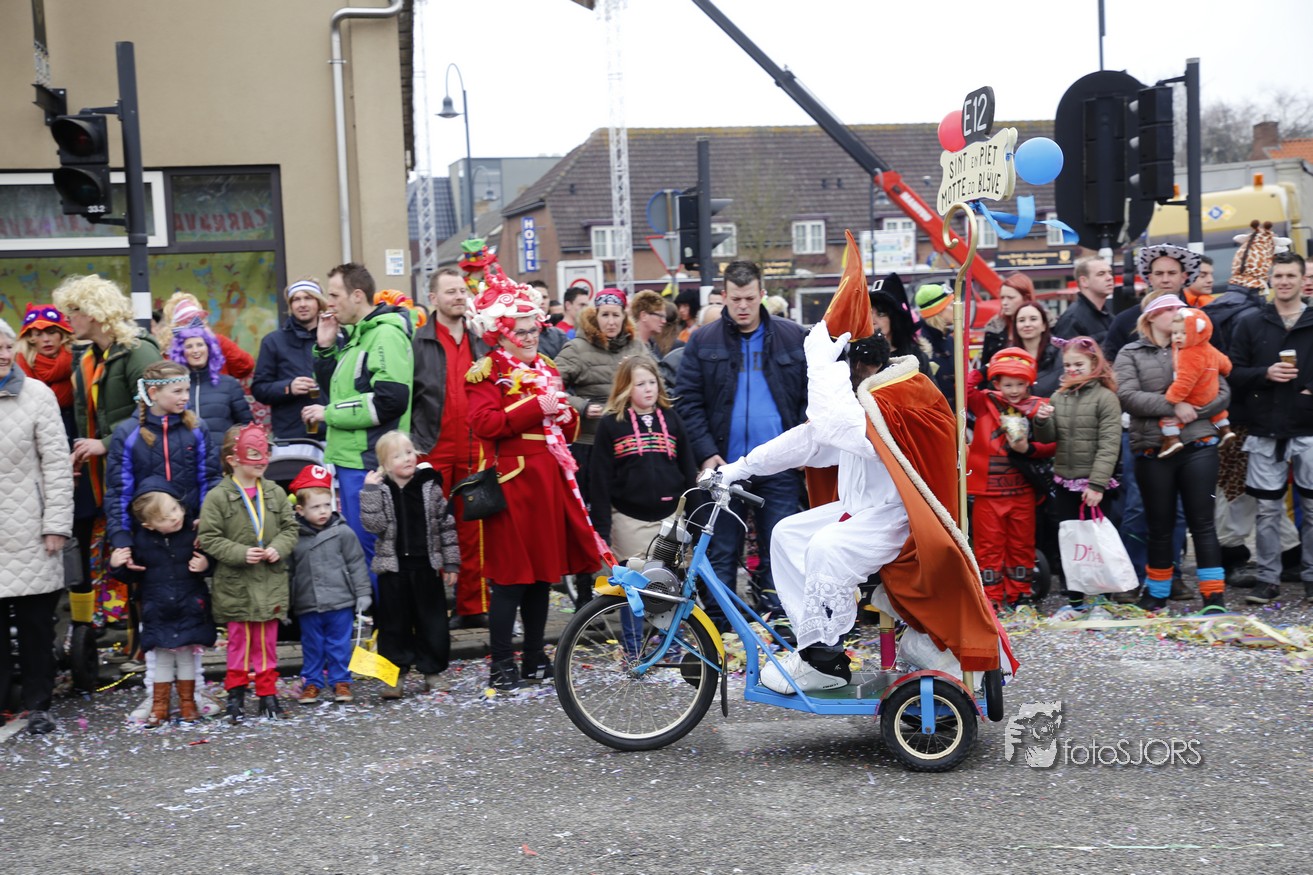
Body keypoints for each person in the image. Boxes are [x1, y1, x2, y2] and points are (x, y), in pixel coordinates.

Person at [718, 318, 1011, 693]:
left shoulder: (902, 395)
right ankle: (816, 646)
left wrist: (822, 368)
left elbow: (844, 429)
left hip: (902, 517)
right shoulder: (863, 397)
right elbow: (811, 439)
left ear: (857, 365)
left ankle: (822, 660)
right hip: (861, 510)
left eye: (843, 367)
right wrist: (740, 469)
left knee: (827, 548)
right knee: (787, 534)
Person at [465, 271, 604, 691]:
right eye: (520, 331)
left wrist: (565, 414)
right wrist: (533, 407)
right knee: (511, 579)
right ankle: (501, 662)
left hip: (548, 482)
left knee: (542, 577)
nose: (529, 338)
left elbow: (564, 426)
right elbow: (484, 423)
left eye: (533, 329)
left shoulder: (546, 366)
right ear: (501, 334)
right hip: (512, 484)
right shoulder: (486, 371)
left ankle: (534, 656)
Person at [675, 260, 807, 627]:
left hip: (779, 462)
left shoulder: (792, 336)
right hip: (725, 465)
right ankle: (720, 628)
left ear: (762, 294)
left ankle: (778, 623)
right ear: (724, 296)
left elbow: (810, 395)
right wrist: (706, 453)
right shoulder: (703, 340)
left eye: (750, 298)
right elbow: (687, 401)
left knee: (779, 547)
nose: (744, 306)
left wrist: (803, 443)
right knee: (720, 549)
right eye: (736, 299)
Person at [54, 274, 162, 629]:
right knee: (109, 553)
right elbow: (88, 418)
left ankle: (148, 641)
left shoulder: (138, 351)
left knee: (143, 555)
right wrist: (81, 453)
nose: (68, 319)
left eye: (73, 311)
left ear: (95, 312)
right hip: (106, 475)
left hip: (141, 473)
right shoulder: (89, 357)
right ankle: (110, 631)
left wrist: (104, 443)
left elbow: (155, 411)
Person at [1114, 294, 1230, 612]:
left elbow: (1223, 392)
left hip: (1199, 443)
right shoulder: (1131, 352)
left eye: (1180, 308)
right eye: (1169, 309)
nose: (1178, 313)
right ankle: (1157, 593)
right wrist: (1173, 405)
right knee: (1159, 525)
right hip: (1154, 448)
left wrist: (1194, 409)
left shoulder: (1200, 346)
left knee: (1203, 523)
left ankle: (1213, 597)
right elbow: (1126, 396)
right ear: (1151, 316)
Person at [305, 262, 415, 574]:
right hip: (352, 459)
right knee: (365, 551)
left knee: (374, 552)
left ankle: (385, 608)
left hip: (368, 461)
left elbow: (390, 400)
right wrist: (325, 348)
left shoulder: (384, 335)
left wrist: (328, 414)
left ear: (357, 295)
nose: (328, 303)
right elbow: (337, 391)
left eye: (334, 295)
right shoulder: (357, 335)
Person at [0, 317, 74, 734]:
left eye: (6, 347)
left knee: (35, 627)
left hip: (30, 528)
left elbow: (57, 467)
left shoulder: (37, 395)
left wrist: (56, 524)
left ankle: (39, 705)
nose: (3, 355)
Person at [198, 423, 299, 723]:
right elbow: (209, 537)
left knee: (266, 642)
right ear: (233, 459)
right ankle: (236, 695)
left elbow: (291, 528)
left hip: (269, 582)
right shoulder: (217, 496)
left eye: (264, 453)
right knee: (239, 642)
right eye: (254, 454)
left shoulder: (275, 492)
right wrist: (239, 553)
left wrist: (278, 547)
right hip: (236, 585)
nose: (262, 460)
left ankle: (268, 694)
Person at [1228, 251, 1313, 605]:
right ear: (1269, 279)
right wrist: (1265, 373)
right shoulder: (1251, 322)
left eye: (1291, 275)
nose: (1284, 282)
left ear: (1302, 279)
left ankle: (1311, 577)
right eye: (1278, 276)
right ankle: (1267, 579)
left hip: (1309, 426)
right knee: (1266, 510)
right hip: (1265, 428)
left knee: (1312, 509)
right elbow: (1232, 371)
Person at [555, 289, 648, 608]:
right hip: (589, 446)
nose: (610, 321)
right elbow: (550, 384)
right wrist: (582, 406)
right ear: (595, 317)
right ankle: (584, 597)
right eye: (604, 315)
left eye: (615, 315)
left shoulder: (636, 347)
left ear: (624, 317)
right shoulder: (577, 347)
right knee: (589, 523)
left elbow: (654, 381)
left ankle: (632, 590)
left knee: (626, 518)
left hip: (627, 444)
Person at [411, 266, 491, 630]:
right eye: (450, 292)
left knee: (472, 529)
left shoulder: (481, 341)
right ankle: (430, 612)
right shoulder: (418, 342)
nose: (459, 297)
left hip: (475, 448)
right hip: (431, 448)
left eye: (462, 291)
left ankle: (472, 607)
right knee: (428, 530)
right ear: (433, 298)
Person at [360, 432, 460, 698]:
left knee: (433, 623)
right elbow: (373, 525)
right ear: (384, 464)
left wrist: (451, 563)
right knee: (393, 625)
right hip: (393, 570)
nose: (406, 458)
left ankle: (432, 671)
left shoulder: (429, 486)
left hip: (426, 567)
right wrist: (370, 493)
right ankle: (394, 676)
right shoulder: (380, 489)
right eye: (397, 456)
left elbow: (446, 525)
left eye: (409, 452)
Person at [108, 480, 216, 728]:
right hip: (158, 609)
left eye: (176, 509)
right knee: (162, 662)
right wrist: (116, 566)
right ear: (148, 524)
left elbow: (212, 561)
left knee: (187, 658)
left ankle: (188, 703)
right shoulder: (141, 542)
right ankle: (160, 705)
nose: (175, 517)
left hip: (189, 605)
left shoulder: (193, 534)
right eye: (165, 518)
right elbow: (133, 574)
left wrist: (206, 565)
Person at [1032, 337, 1124, 607]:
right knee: (1071, 542)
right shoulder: (1059, 396)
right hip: (1065, 481)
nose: (1072, 370)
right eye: (1068, 365)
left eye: (1078, 365)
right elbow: (1049, 438)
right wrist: (1041, 421)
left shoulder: (1106, 398)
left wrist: (1097, 485)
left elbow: (1109, 445)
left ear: (1094, 364)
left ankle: (1102, 600)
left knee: (1098, 543)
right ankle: (1075, 600)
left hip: (1095, 484)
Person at [966, 348, 1055, 608]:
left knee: (1022, 544)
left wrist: (1028, 449)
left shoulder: (1040, 406)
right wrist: (983, 370)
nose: (1014, 390)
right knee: (988, 546)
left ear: (1029, 383)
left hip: (1023, 490)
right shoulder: (985, 402)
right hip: (987, 492)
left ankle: (1020, 595)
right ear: (996, 384)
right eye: (1007, 384)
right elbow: (964, 391)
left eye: (1019, 384)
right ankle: (991, 598)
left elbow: (1052, 444)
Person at [589, 357, 697, 560]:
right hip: (628, 522)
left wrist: (697, 525)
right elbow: (599, 482)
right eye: (640, 384)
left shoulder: (672, 420)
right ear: (626, 388)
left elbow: (689, 473)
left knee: (673, 576)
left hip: (671, 519)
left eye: (652, 382)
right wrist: (602, 532)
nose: (648, 389)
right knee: (635, 577)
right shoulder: (611, 424)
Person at [286, 465, 371, 704]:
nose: (323, 511)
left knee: (339, 644)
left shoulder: (343, 532)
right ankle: (312, 682)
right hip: (308, 601)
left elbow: (356, 563)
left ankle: (340, 681)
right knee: (312, 645)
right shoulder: (293, 537)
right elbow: (287, 571)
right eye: (315, 507)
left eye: (327, 504)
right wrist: (285, 601)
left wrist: (363, 593)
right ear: (300, 510)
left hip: (340, 600)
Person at [168, 299, 253, 450]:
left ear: (209, 348)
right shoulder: (173, 389)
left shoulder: (229, 385)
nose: (195, 351)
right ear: (181, 353)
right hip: (185, 460)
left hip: (222, 460)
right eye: (189, 346)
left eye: (200, 344)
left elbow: (247, 428)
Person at [251, 277, 325, 441]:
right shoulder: (273, 341)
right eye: (296, 299)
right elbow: (259, 389)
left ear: (319, 303)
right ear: (290, 306)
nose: (302, 304)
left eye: (308, 298)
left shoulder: (337, 338)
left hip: (333, 433)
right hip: (291, 437)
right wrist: (288, 387)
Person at [1158, 308, 1235, 458]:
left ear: (1197, 332)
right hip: (1211, 394)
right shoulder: (1209, 348)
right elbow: (1226, 365)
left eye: (1184, 333)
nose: (1178, 337)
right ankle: (1225, 430)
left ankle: (1172, 439)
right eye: (1175, 333)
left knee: (1168, 420)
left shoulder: (1188, 354)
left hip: (1194, 396)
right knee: (1218, 414)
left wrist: (1172, 398)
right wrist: (1224, 372)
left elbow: (1185, 381)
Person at [1103, 244, 1199, 363]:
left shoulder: (1199, 320)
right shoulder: (1125, 321)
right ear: (1150, 278)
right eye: (1159, 273)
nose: (1165, 280)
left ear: (1184, 277)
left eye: (1172, 273)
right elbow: (1109, 364)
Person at [157, 291, 255, 381]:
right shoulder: (168, 351)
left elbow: (245, 367)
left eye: (195, 318)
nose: (191, 324)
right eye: (186, 320)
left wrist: (216, 343)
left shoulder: (217, 342)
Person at [16, 303, 78, 440]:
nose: (46, 339)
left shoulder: (80, 360)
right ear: (30, 339)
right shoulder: (19, 369)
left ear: (62, 334)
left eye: (51, 332)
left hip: (78, 431)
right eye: (38, 334)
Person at [869, 279, 930, 376]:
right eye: (869, 314)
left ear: (894, 319)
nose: (872, 321)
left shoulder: (917, 357)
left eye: (881, 314)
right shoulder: (860, 359)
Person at [1000, 301, 1062, 397]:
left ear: (1044, 325)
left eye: (1033, 319)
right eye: (1021, 320)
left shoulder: (1060, 355)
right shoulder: (1005, 357)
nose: (1027, 324)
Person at [1052, 256, 1115, 344]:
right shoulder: (1072, 319)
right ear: (1084, 281)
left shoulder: (1109, 317)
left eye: (1110, 273)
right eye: (1101, 274)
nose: (1109, 277)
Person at [913, 283, 956, 403]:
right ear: (939, 311)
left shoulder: (949, 339)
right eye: (951, 305)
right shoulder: (921, 345)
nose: (957, 308)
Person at [981, 272, 1034, 364]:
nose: (1004, 303)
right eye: (1002, 298)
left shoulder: (1045, 325)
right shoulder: (994, 328)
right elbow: (986, 364)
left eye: (1010, 298)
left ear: (1026, 298)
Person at [630, 290, 683, 359]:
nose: (664, 321)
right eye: (660, 316)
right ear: (644, 316)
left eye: (664, 317)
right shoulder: (630, 349)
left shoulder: (651, 346)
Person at [527, 279, 569, 358]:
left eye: (544, 297)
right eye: (536, 297)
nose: (542, 301)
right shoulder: (519, 334)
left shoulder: (559, 335)